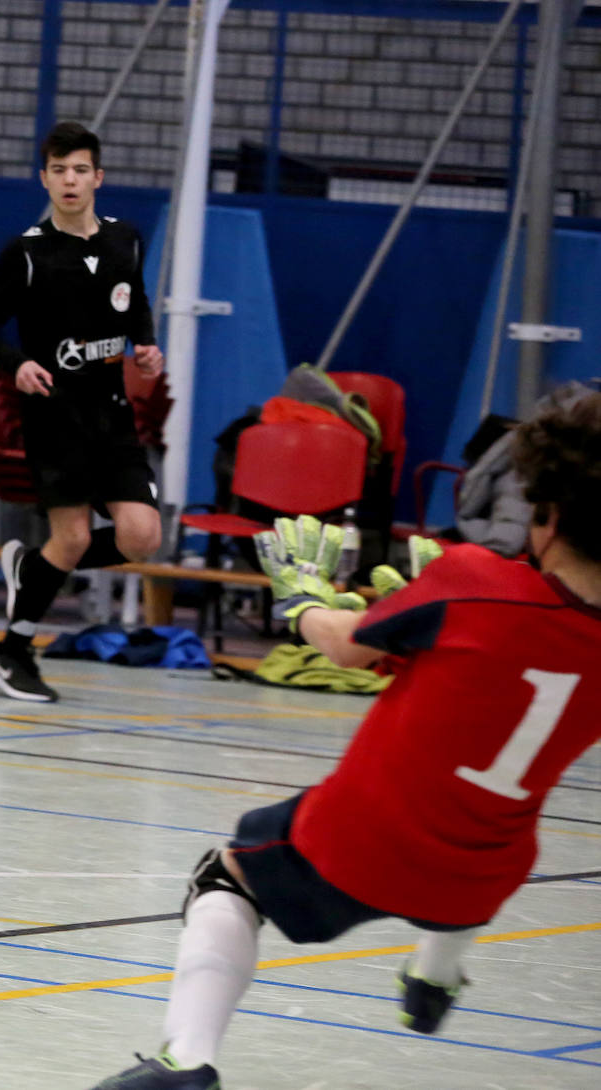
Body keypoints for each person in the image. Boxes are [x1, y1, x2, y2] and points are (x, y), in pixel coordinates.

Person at [87, 388, 601, 1090]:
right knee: (486, 848)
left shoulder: (472, 579)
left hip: (362, 843)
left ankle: (186, 1058)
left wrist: (303, 598)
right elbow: (512, 664)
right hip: (481, 878)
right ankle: (435, 977)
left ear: (550, 512)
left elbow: (345, 647)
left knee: (228, 875)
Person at [0, 121, 164, 703]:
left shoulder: (125, 239)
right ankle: (12, 653)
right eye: (58, 171)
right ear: (44, 178)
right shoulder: (26, 253)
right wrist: (17, 365)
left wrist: (146, 347)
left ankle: (32, 568)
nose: (70, 180)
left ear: (97, 177)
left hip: (112, 411)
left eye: (80, 170)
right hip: (55, 415)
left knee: (141, 537)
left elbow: (137, 302)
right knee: (73, 537)